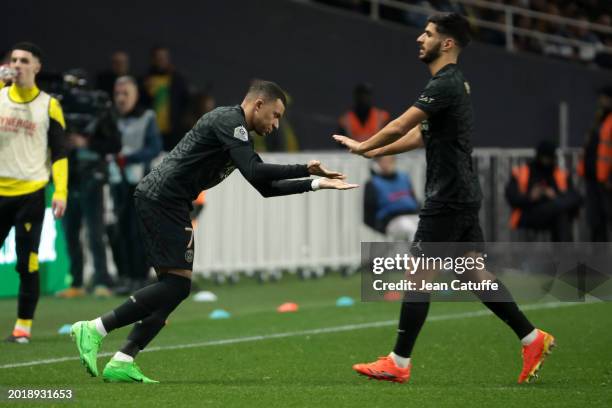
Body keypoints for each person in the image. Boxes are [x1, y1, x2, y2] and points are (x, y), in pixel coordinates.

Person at [70, 80, 358, 383]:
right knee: (177, 287)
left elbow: (265, 189)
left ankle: (123, 359)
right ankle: (94, 329)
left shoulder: (238, 134)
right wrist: (305, 168)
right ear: (258, 104)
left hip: (169, 201)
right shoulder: (229, 121)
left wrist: (317, 184)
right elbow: (257, 171)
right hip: (162, 199)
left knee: (173, 289)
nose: (276, 124)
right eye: (275, 115)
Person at [334, 13, 554, 384]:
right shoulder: (452, 84)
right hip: (462, 193)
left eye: (429, 33)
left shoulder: (446, 83)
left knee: (418, 275)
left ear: (447, 43)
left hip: (449, 196)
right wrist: (374, 153)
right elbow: (421, 135)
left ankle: (399, 362)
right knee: (471, 271)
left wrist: (363, 146)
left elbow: (401, 124)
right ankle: (532, 339)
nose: (420, 38)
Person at [0, 43, 68, 343]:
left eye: (24, 60)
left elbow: (60, 153)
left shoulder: (49, 105)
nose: (17, 64)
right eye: (13, 59)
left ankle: (23, 327)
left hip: (31, 193)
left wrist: (61, 190)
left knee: (27, 261)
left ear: (36, 67)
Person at [107, 76, 162, 294]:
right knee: (119, 230)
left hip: (140, 182)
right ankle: (126, 276)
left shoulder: (147, 117)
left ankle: (140, 277)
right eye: (117, 94)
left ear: (135, 95)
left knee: (137, 230)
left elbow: (155, 147)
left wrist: (129, 159)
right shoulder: (109, 116)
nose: (120, 98)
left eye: (125, 94)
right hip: (116, 181)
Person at [506, 140, 582, 242]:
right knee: (560, 212)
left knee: (561, 214)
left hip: (556, 215)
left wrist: (554, 196)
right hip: (529, 214)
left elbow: (576, 198)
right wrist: (530, 197)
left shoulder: (560, 174)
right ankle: (565, 254)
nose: (546, 162)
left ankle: (564, 255)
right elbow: (512, 196)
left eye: (549, 158)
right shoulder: (523, 172)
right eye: (544, 158)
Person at [578, 86, 612, 241]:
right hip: (594, 178)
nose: (601, 101)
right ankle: (599, 258)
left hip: (606, 180)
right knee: (595, 220)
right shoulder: (600, 119)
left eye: (604, 97)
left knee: (606, 217)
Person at [140, 46, 190, 151]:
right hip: (150, 130)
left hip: (172, 130)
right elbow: (140, 103)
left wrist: (180, 120)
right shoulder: (145, 79)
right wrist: (145, 90)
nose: (160, 60)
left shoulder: (177, 79)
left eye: (163, 57)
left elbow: (186, 101)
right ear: (152, 59)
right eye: (158, 57)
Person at [363, 156, 419, 241]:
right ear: (377, 163)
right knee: (410, 228)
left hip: (413, 216)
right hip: (392, 221)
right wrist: (382, 228)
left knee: (431, 227)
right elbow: (368, 215)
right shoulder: (373, 183)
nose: (388, 164)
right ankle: (417, 254)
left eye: (390, 160)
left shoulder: (404, 178)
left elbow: (415, 201)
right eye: (384, 161)